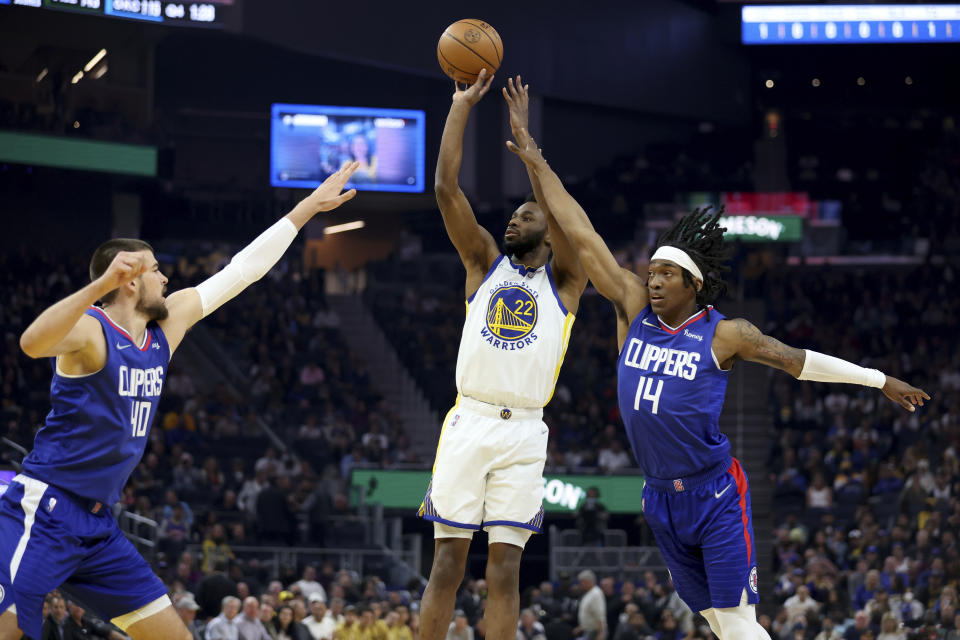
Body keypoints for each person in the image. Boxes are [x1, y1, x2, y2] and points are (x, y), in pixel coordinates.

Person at [505, 106, 929, 640]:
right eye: (652, 271)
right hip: (658, 496)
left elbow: (799, 362)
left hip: (714, 493)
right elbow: (580, 230)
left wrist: (878, 379)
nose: (653, 281)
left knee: (736, 621)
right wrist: (535, 162)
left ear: (694, 285)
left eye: (667, 275)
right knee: (715, 621)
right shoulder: (632, 305)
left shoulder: (726, 334)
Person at [0, 163, 360, 640]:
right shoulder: (92, 329)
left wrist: (306, 209)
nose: (166, 278)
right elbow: (30, 343)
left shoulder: (165, 329)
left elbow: (243, 271)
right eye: (155, 270)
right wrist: (97, 286)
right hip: (44, 510)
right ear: (127, 281)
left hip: (99, 525)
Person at [417, 71, 587, 640]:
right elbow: (445, 188)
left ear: (548, 231)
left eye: (527, 214)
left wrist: (530, 150)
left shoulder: (566, 279)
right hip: (471, 419)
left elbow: (561, 214)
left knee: (506, 570)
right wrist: (460, 107)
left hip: (525, 431)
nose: (516, 216)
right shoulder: (483, 261)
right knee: (447, 564)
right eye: (515, 211)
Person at [575, 571, 606, 640]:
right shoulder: (589, 593)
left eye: (581, 582)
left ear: (588, 581)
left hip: (595, 631)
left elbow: (599, 614)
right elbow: (588, 614)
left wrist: (601, 633)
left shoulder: (596, 593)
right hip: (588, 630)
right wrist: (581, 627)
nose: (580, 584)